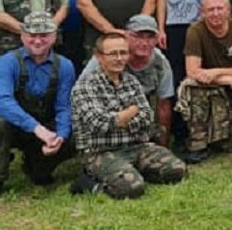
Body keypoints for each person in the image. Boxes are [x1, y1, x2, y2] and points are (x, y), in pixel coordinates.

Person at [70, 32, 188, 199]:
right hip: (101, 152)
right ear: (99, 57)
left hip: (136, 146)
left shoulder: (131, 82)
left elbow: (147, 117)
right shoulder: (85, 86)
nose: (119, 58)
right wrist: (130, 113)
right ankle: (87, 182)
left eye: (123, 53)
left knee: (177, 170)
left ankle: (129, 171)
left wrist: (119, 120)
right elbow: (99, 124)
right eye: (112, 54)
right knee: (131, 189)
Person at [0, 12, 77, 199]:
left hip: (44, 123)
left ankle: (39, 166)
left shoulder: (65, 66)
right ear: (23, 36)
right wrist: (36, 128)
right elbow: (0, 100)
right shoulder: (7, 62)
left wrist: (61, 137)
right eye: (32, 35)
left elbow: (64, 106)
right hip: (13, 123)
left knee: (73, 130)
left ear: (54, 37)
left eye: (44, 36)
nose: (38, 41)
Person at [177, 0, 232, 163]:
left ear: (229, 10)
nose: (216, 14)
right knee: (191, 85)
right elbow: (192, 70)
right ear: (202, 12)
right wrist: (226, 78)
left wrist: (215, 72)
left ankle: (221, 135)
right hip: (207, 85)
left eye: (220, 8)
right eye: (210, 10)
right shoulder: (194, 31)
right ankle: (198, 143)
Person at [79, 15, 174, 146]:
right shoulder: (105, 57)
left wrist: (164, 144)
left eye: (150, 37)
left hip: (137, 113)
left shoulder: (161, 64)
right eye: (138, 36)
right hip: (105, 110)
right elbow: (81, 93)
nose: (144, 43)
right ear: (125, 36)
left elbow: (163, 105)